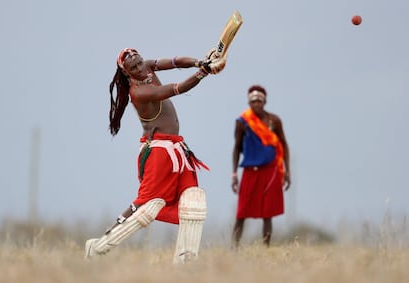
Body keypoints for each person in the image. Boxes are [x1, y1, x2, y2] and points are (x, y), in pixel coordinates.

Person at [84, 48, 226, 263]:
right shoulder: (138, 92)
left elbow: (176, 62)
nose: (140, 68)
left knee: (192, 201)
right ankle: (98, 247)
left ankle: (185, 261)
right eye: (134, 67)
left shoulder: (147, 67)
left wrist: (200, 62)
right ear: (126, 73)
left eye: (140, 62)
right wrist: (204, 72)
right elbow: (175, 89)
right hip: (158, 152)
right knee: (146, 206)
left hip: (177, 149)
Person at [231, 85, 291, 248]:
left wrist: (287, 171)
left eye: (259, 101)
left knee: (268, 212)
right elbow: (236, 147)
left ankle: (266, 248)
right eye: (253, 101)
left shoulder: (274, 121)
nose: (256, 104)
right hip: (250, 170)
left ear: (264, 102)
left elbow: (284, 144)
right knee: (242, 212)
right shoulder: (242, 121)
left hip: (271, 170)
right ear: (249, 103)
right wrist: (234, 174)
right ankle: (233, 248)